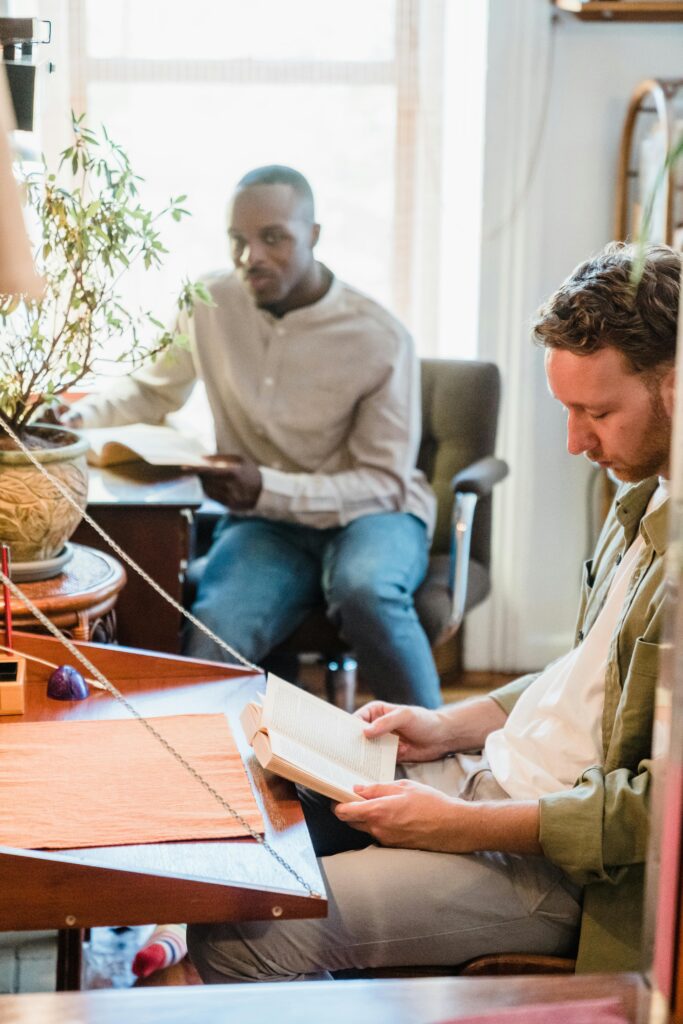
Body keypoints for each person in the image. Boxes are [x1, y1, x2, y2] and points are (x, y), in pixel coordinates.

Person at [186, 240, 678, 981]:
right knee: (249, 806)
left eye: (596, 412)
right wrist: (449, 725)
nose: (576, 442)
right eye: (567, 411)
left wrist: (461, 826)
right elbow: (589, 672)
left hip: (560, 867)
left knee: (244, 934)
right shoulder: (644, 492)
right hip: (485, 774)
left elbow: (655, 814)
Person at [66, 165, 441, 708]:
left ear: (313, 236)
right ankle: (207, 772)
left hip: (372, 515)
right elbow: (152, 392)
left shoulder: (380, 337)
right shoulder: (207, 303)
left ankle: (451, 760)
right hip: (267, 527)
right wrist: (73, 419)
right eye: (237, 241)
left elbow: (383, 482)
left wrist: (265, 488)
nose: (251, 258)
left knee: (365, 591)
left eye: (274, 238)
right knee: (215, 629)